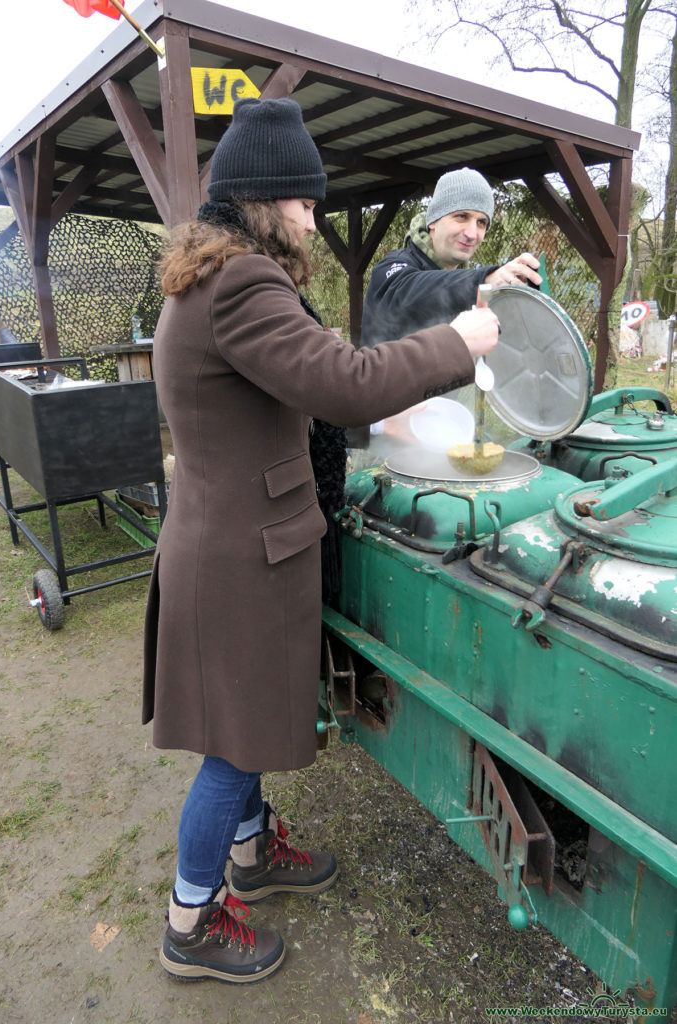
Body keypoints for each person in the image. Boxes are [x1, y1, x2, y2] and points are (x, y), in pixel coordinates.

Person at [142, 97, 500, 986]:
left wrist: (384, 383)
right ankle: (189, 922)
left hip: (221, 539)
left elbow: (303, 372)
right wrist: (455, 343)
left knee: (248, 726)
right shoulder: (244, 281)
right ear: (265, 200)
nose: (312, 216)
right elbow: (341, 384)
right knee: (233, 750)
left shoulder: (212, 278)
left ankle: (253, 858)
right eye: (303, 201)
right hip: (240, 559)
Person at [360, 166, 542, 348]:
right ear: (433, 221)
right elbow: (408, 294)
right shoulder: (392, 268)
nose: (472, 234)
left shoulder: (463, 284)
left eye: (481, 222)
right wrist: (485, 280)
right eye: (461, 216)